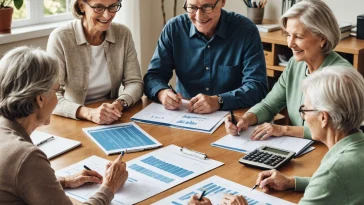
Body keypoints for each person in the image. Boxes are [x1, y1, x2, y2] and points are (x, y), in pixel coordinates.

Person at [190, 66, 364, 204]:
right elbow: (340, 184)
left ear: (323, 118)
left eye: (304, 109)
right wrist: (292, 182)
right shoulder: (354, 150)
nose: (302, 116)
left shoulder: (333, 172)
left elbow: (331, 180)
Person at [0, 46, 128, 204]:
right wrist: (110, 186)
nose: (57, 97)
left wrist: (64, 181)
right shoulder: (27, 157)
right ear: (40, 99)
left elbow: (16, 183)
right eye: (57, 90)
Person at [225, 0, 352, 140]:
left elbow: (336, 130)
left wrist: (284, 130)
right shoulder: (295, 65)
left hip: (330, 151)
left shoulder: (341, 76)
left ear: (322, 38)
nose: (290, 44)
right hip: (302, 148)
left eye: (298, 36)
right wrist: (246, 119)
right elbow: (269, 105)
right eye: (288, 35)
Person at [144, 0, 268, 114]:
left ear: (222, 2)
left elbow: (257, 87)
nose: (199, 16)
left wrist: (219, 101)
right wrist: (162, 93)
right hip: (186, 115)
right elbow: (153, 76)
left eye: (207, 7)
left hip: (233, 118)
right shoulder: (174, 29)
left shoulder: (246, 31)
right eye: (192, 7)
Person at [47, 0, 143, 125]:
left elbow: (135, 82)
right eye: (98, 7)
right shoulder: (60, 38)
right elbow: (50, 95)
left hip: (111, 119)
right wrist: (89, 113)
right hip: (72, 120)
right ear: (81, 6)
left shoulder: (123, 34)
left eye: (113, 6)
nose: (107, 15)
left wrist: (119, 104)